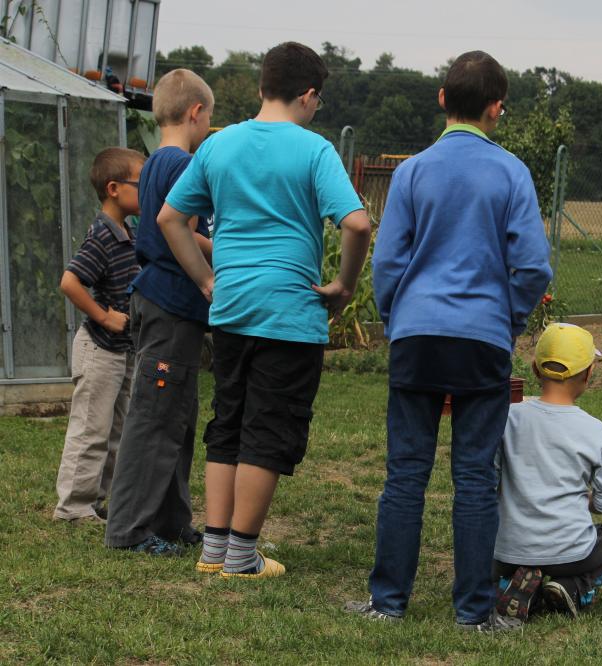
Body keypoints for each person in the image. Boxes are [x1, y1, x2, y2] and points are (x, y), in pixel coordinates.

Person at [345, 50, 552, 632]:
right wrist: (506, 320)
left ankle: (387, 603)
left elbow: (387, 262)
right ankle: (474, 613)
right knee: (475, 477)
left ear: (441, 99)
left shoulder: (411, 172)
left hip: (417, 333)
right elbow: (533, 268)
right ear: (497, 109)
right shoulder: (511, 172)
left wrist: (397, 316)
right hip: (483, 338)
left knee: (406, 473)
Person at [158, 42, 371, 578]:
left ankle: (214, 550)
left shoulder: (218, 145)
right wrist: (344, 284)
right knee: (269, 428)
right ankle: (243, 553)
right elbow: (357, 223)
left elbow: (168, 218)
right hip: (290, 313)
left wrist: (207, 279)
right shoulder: (315, 150)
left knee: (227, 421)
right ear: (309, 96)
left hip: (230, 310)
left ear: (260, 87)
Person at [104, 69, 215, 556]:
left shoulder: (154, 163)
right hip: (170, 301)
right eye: (209, 118)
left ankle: (171, 522)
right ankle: (128, 530)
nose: (209, 126)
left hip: (167, 305)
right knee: (153, 419)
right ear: (196, 112)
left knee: (176, 416)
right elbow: (180, 233)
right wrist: (231, 250)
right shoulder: (179, 165)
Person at [493, 323, 602, 621]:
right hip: (570, 554)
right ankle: (571, 586)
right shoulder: (596, 431)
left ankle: (511, 583)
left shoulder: (507, 418)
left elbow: (492, 480)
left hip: (507, 552)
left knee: (511, 559)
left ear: (534, 369)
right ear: (589, 374)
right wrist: (587, 500)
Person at [53, 147, 146, 524]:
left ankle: (94, 501)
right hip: (99, 348)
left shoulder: (130, 232)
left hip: (121, 352)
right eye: (141, 184)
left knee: (115, 430)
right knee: (91, 428)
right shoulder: (103, 237)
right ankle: (72, 507)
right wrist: (104, 317)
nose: (147, 191)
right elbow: (70, 282)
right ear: (113, 188)